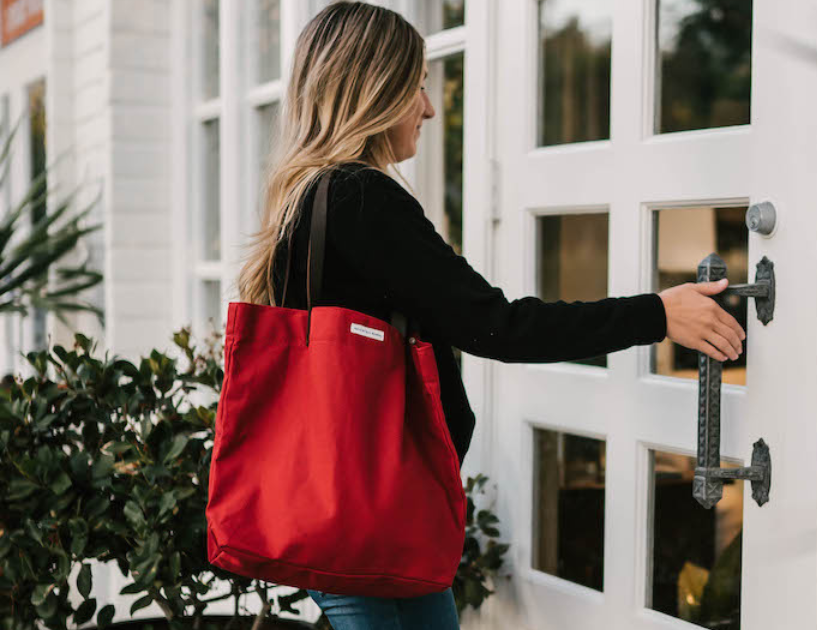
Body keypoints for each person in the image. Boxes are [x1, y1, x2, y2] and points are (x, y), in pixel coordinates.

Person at [235, 2, 745, 628]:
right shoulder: (359, 197)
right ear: (374, 91)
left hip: (349, 508)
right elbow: (496, 326)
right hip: (366, 515)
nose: (426, 107)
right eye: (416, 86)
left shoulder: (304, 199)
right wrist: (655, 314)